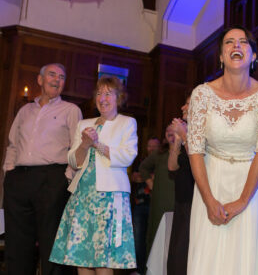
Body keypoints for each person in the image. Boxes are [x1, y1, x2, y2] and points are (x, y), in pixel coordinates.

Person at [186, 26, 258, 275]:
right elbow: (195, 150)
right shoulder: (202, 94)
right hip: (211, 182)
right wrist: (209, 200)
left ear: (253, 56)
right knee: (209, 260)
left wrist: (242, 200)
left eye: (243, 42)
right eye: (229, 42)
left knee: (251, 261)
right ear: (221, 56)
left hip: (253, 184)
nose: (236, 46)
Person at [49, 76, 138, 274]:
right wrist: (84, 143)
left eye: (108, 93)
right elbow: (73, 160)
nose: (102, 98)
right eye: (99, 93)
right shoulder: (84, 124)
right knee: (81, 255)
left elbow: (127, 157)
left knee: (103, 258)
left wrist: (96, 144)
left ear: (119, 97)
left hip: (109, 198)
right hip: (82, 196)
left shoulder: (127, 123)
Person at [2, 63, 82, 275]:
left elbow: (78, 148)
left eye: (62, 77)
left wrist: (66, 178)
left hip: (51, 179)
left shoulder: (71, 110)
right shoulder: (25, 110)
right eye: (52, 74)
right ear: (40, 80)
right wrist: (8, 172)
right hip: (19, 179)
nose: (57, 79)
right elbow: (13, 143)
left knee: (51, 243)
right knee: (17, 242)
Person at [167, 95, 195, 275]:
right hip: (181, 200)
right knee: (177, 253)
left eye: (187, 103)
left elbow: (198, 162)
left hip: (195, 200)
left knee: (186, 251)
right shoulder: (185, 133)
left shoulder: (201, 132)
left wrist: (185, 136)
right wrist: (177, 140)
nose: (182, 106)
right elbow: (172, 166)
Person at [139, 126, 175, 255]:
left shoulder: (187, 152)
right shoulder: (160, 153)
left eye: (174, 129)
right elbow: (143, 168)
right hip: (159, 201)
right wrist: (151, 183)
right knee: (157, 235)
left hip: (178, 201)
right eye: (167, 130)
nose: (170, 132)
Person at [130, 137, 160, 275]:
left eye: (154, 146)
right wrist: (149, 176)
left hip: (156, 205)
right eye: (149, 146)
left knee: (153, 238)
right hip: (140, 204)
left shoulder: (161, 161)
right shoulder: (141, 161)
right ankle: (138, 269)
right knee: (138, 238)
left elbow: (160, 178)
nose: (151, 149)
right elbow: (134, 177)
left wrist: (146, 176)